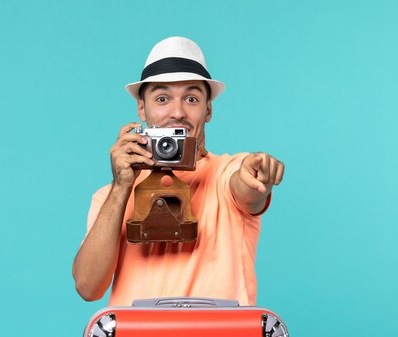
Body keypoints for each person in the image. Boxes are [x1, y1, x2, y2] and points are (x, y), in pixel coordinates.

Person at [72, 37, 284, 306]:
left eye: (191, 99)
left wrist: (254, 175)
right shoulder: (110, 196)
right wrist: (122, 187)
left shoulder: (224, 173)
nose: (177, 113)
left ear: (208, 109)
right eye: (162, 98)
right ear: (141, 107)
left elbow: (244, 186)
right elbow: (88, 287)